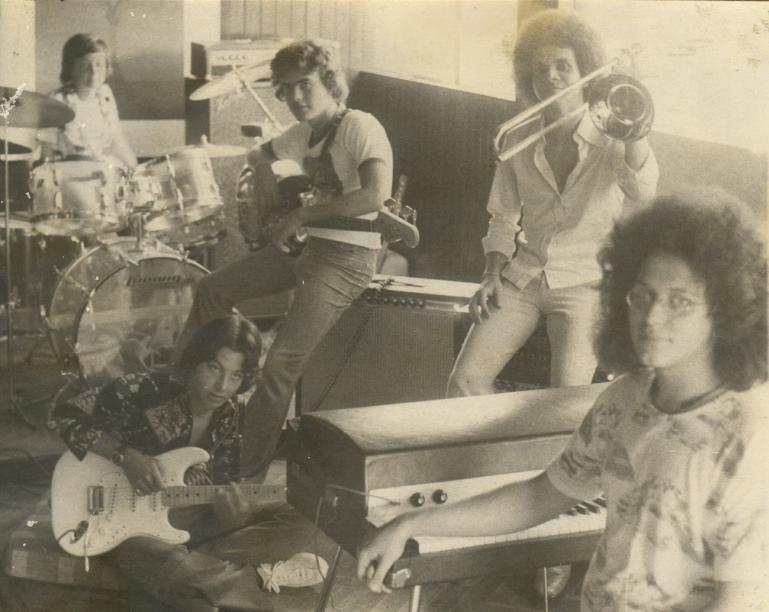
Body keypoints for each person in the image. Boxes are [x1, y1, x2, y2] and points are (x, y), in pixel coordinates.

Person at [358, 190, 769, 611]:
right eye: (642, 295)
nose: (652, 317)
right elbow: (540, 496)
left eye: (680, 301)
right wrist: (411, 523)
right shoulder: (625, 398)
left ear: (726, 310)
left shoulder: (751, 435)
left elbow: (744, 600)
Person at [175, 39, 393, 478]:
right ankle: (182, 411)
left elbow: (375, 195)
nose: (295, 98)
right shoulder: (301, 134)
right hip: (306, 251)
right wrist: (263, 192)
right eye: (286, 89)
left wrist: (300, 213)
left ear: (330, 81)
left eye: (305, 85)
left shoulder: (360, 125)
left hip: (347, 260)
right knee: (212, 290)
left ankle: (242, 475)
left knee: (279, 365)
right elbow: (261, 154)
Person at [52, 314, 327, 612]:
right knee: (165, 563)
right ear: (196, 361)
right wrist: (125, 456)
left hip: (184, 521)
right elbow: (63, 412)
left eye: (235, 376)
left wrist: (234, 516)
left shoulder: (232, 412)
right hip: (122, 522)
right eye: (214, 368)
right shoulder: (145, 388)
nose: (222, 386)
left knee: (307, 511)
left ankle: (198, 570)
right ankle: (249, 582)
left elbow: (222, 481)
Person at [448, 10, 658, 395]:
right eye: (540, 68)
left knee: (563, 400)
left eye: (563, 65)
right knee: (463, 382)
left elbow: (644, 191)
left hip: (586, 283)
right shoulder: (517, 138)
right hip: (524, 276)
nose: (550, 77)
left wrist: (631, 111)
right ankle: (496, 454)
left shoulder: (613, 133)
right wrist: (491, 275)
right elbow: (503, 217)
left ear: (585, 71)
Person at [37, 33, 137, 168]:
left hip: (99, 173)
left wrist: (136, 171)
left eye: (99, 64)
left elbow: (118, 141)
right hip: (66, 176)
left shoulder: (105, 95)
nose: (94, 72)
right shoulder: (55, 102)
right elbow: (45, 155)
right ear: (71, 68)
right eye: (86, 66)